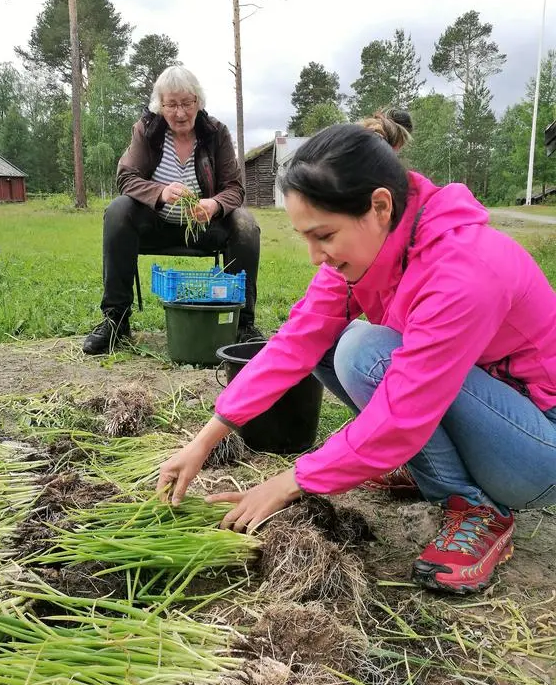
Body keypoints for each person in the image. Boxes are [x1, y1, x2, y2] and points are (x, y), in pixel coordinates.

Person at [156, 112, 556, 595]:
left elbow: (405, 410)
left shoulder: (464, 271)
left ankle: (477, 507)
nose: (314, 256)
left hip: (536, 450)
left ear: (380, 206)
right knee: (331, 346)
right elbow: (294, 343)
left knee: (367, 351)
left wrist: (289, 482)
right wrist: (208, 436)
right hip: (485, 414)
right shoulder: (371, 249)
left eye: (324, 236)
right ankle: (434, 472)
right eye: (306, 238)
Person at [83, 65, 262, 355]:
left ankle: (242, 323)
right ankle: (116, 320)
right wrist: (160, 192)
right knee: (118, 211)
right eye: (171, 105)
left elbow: (235, 188)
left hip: (203, 227)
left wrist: (214, 205)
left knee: (244, 224)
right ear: (160, 105)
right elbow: (126, 177)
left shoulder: (216, 133)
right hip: (156, 226)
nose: (180, 113)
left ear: (198, 102)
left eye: (187, 103)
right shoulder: (147, 130)